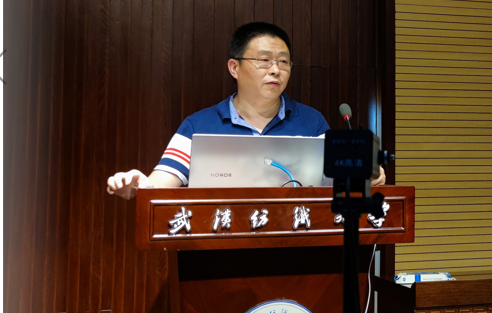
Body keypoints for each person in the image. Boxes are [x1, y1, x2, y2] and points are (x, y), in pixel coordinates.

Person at [107, 22, 385, 198]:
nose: (275, 70)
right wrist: (138, 185)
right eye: (264, 60)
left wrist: (368, 176)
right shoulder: (198, 125)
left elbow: (339, 181)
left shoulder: (312, 122)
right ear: (234, 67)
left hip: (298, 252)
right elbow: (158, 186)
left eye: (284, 62)